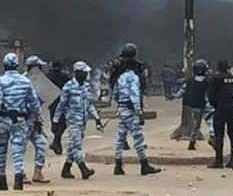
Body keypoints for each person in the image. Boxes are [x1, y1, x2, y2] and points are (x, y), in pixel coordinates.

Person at [0, 52, 40, 191]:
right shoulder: (26, 81)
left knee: (0, 151)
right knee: (18, 151)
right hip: (19, 120)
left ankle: (2, 181)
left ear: (4, 66)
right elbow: (34, 103)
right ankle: (18, 179)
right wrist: (37, 118)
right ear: (17, 66)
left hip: (2, 120)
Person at [112, 43, 161, 176]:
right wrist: (139, 112)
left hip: (122, 109)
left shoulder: (119, 77)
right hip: (131, 110)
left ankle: (118, 165)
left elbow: (115, 94)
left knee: (120, 138)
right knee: (138, 138)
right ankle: (144, 165)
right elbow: (135, 95)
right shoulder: (133, 77)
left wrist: (120, 104)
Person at [55, 61, 103, 180]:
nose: (86, 75)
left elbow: (89, 104)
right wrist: (56, 120)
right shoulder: (68, 87)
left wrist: (97, 118)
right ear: (77, 73)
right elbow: (61, 105)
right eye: (84, 72)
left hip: (83, 121)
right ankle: (83, 169)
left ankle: (66, 169)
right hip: (72, 121)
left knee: (73, 145)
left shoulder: (85, 87)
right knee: (76, 146)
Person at [23, 55, 51, 184]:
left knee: (42, 144)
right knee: (20, 149)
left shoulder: (38, 82)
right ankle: (21, 174)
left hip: (34, 121)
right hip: (22, 120)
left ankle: (38, 172)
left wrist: (38, 120)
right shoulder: (23, 81)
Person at [207, 60, 233, 169]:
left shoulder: (215, 79)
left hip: (220, 109)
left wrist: (216, 105)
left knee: (219, 135)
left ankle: (218, 160)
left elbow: (211, 96)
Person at [181, 59, 210, 150]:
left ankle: (192, 142)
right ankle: (213, 137)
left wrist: (174, 96)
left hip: (195, 105)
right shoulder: (208, 81)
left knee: (196, 125)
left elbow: (182, 90)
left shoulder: (190, 80)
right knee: (211, 122)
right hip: (206, 105)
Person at [46, 60, 71, 155]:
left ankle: (56, 143)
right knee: (63, 124)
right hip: (61, 103)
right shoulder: (64, 76)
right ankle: (56, 141)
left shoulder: (48, 76)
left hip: (51, 103)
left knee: (55, 124)